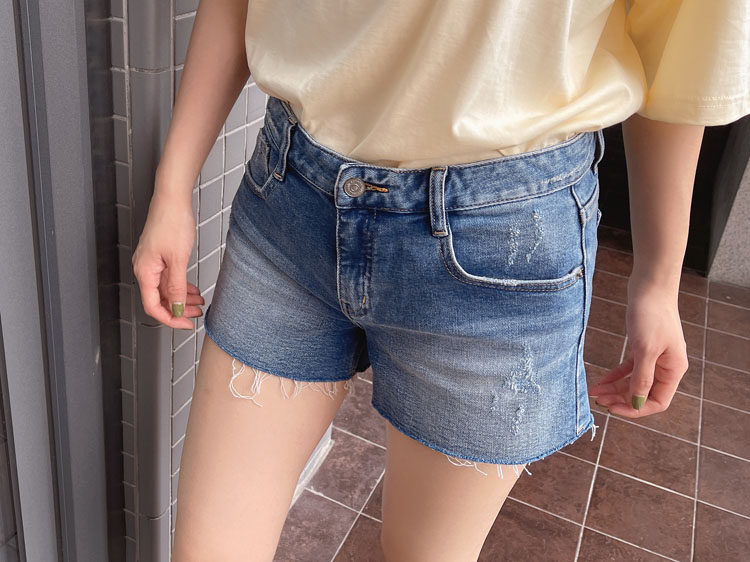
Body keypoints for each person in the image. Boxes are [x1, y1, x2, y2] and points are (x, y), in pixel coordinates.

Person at [131, 1, 750, 560]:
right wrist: (172, 186)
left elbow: (675, 56)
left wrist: (658, 279)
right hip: (290, 195)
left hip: (503, 241)